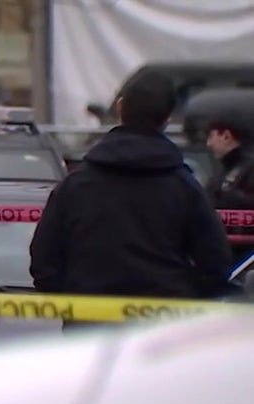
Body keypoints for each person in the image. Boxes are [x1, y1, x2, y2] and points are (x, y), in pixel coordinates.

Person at [29, 71, 234, 330]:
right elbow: (215, 263)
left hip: (89, 328)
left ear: (120, 107)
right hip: (162, 328)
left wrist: (75, 303)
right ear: (167, 119)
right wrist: (184, 300)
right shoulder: (184, 187)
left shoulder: (76, 185)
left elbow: (44, 261)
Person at [204, 111, 254, 265]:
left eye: (211, 136)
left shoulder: (248, 168)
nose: (208, 143)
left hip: (244, 260)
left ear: (226, 136)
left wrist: (228, 199)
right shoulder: (225, 169)